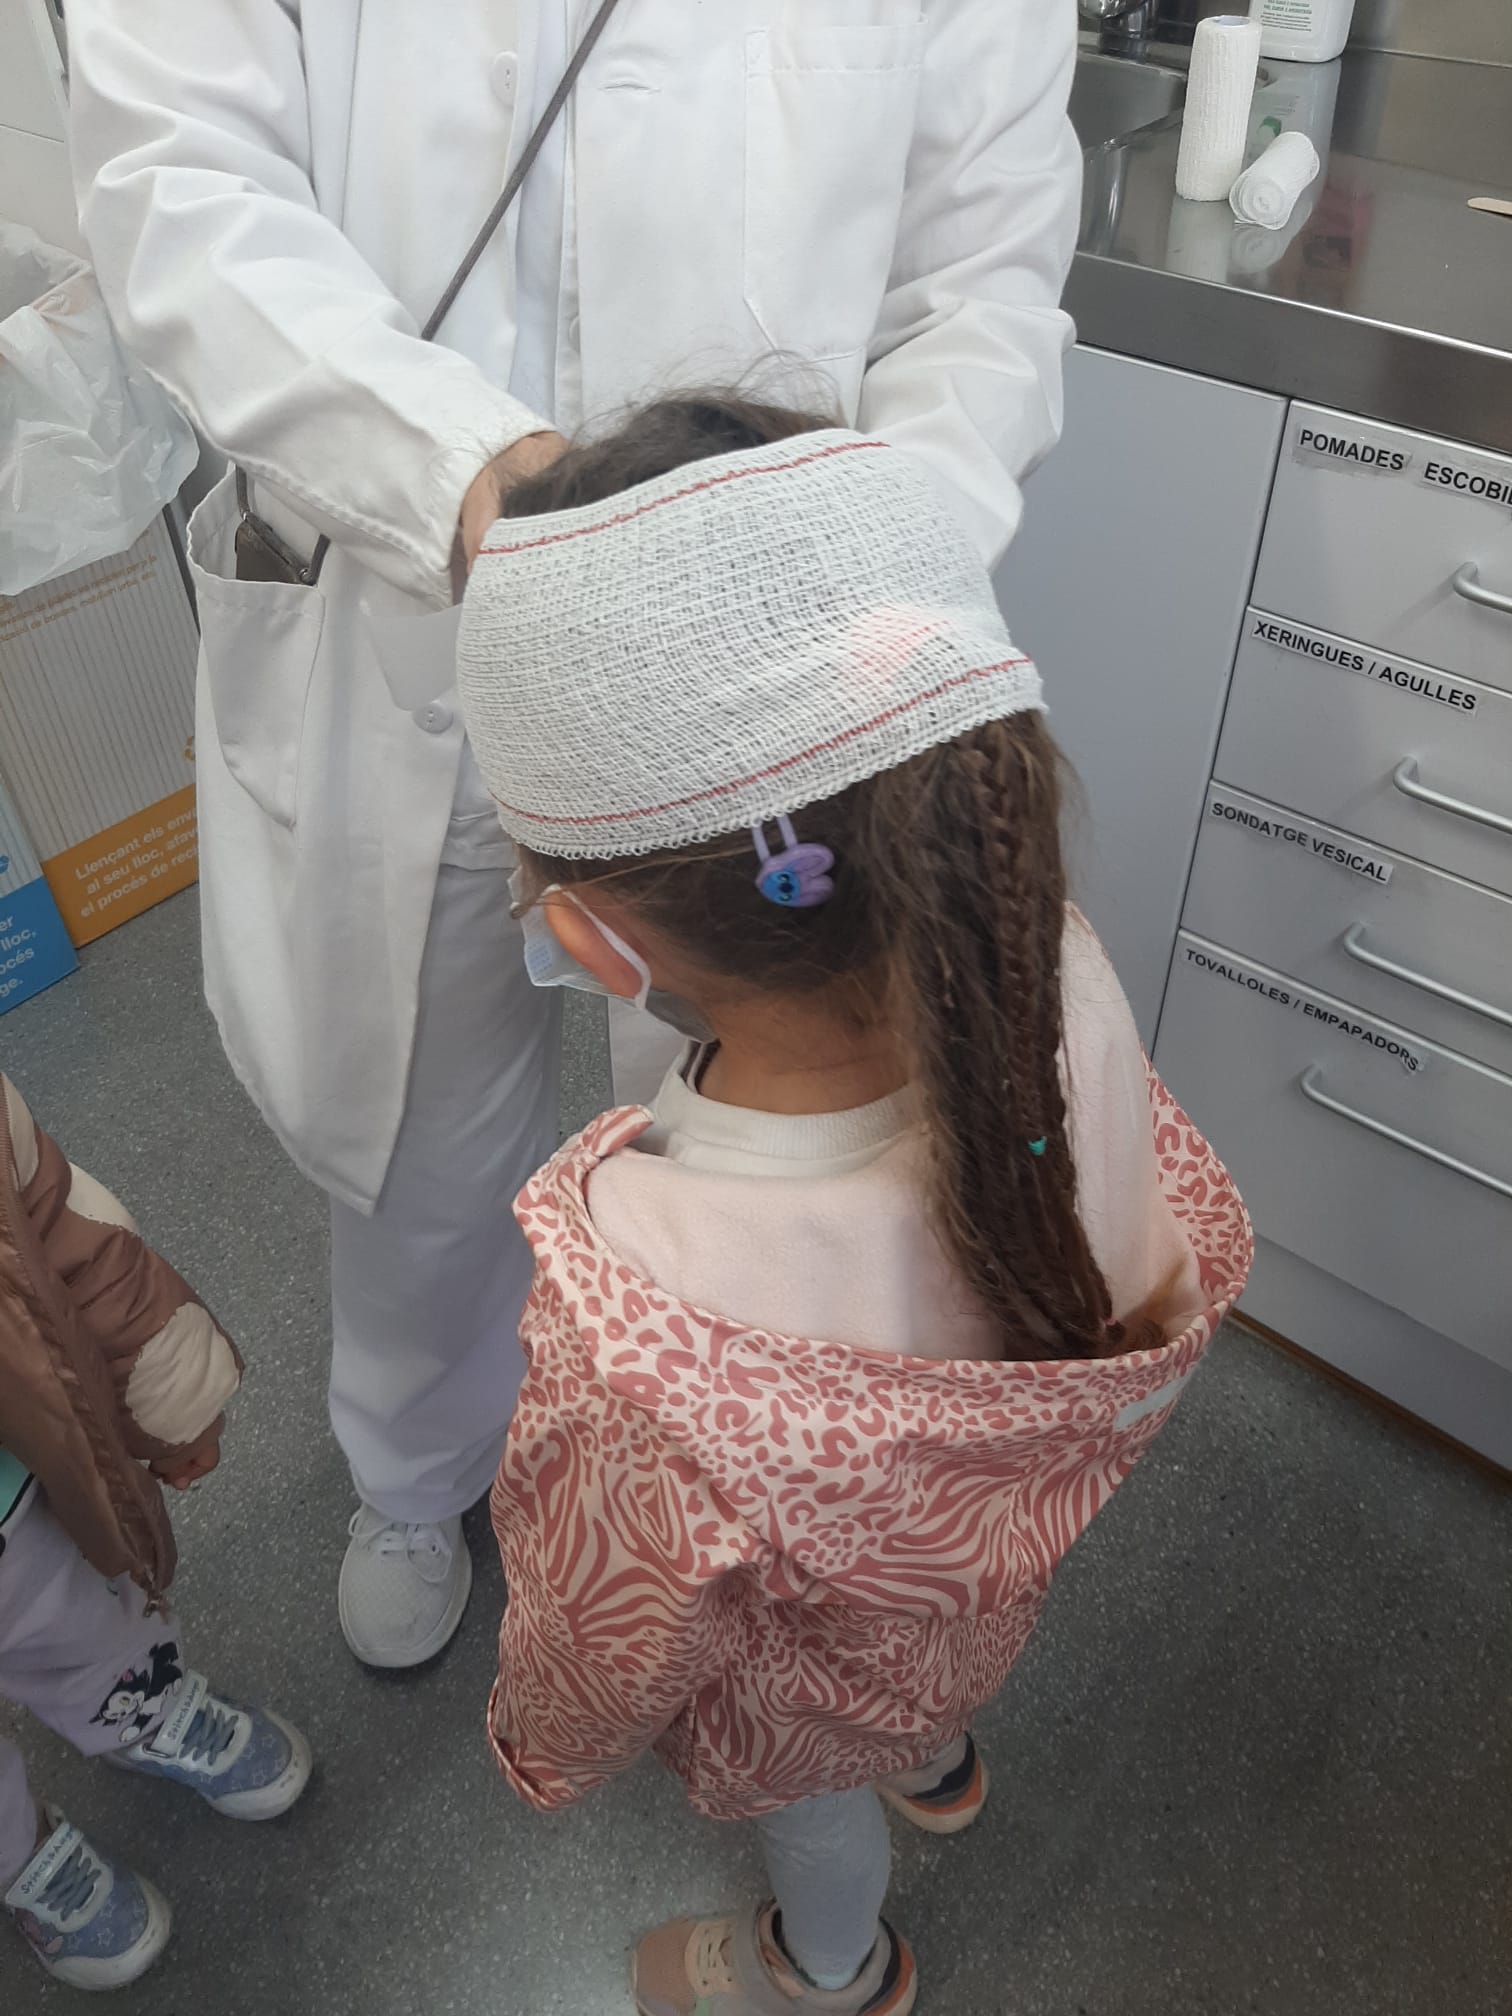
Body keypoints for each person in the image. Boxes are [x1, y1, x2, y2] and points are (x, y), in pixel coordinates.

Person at [63, 0, 1084, 1667]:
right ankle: (418, 1468)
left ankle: (724, 1498)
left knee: (744, 1154)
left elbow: (979, 272)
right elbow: (179, 176)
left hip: (767, 668)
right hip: (406, 598)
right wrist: (477, 482)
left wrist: (846, 565)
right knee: (419, 1136)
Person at [453, 395, 1253, 2015]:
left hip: (816, 1679)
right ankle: (940, 1753)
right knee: (919, 1675)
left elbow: (607, 1634)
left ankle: (829, 1969)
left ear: (591, 942)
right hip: (977, 1591)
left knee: (814, 1809)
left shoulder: (650, 1334)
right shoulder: (1054, 970)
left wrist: (538, 1743)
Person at [0, 1074, 311, 1991]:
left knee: (85, 1624)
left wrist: (172, 1400)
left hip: (15, 1502)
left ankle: (141, 1710)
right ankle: (17, 1851)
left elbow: (67, 1238)